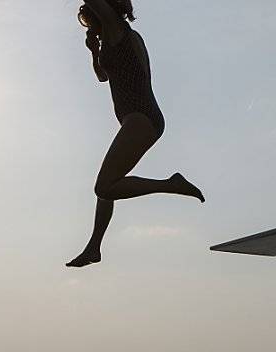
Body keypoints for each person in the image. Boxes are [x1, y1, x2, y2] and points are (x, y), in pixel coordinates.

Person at [67, 0, 203, 267]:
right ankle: (94, 247)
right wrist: (94, 52)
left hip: (142, 117)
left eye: (91, 19)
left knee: (104, 185)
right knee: (107, 187)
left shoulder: (118, 29)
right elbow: (102, 77)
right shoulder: (111, 39)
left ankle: (170, 184)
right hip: (139, 119)